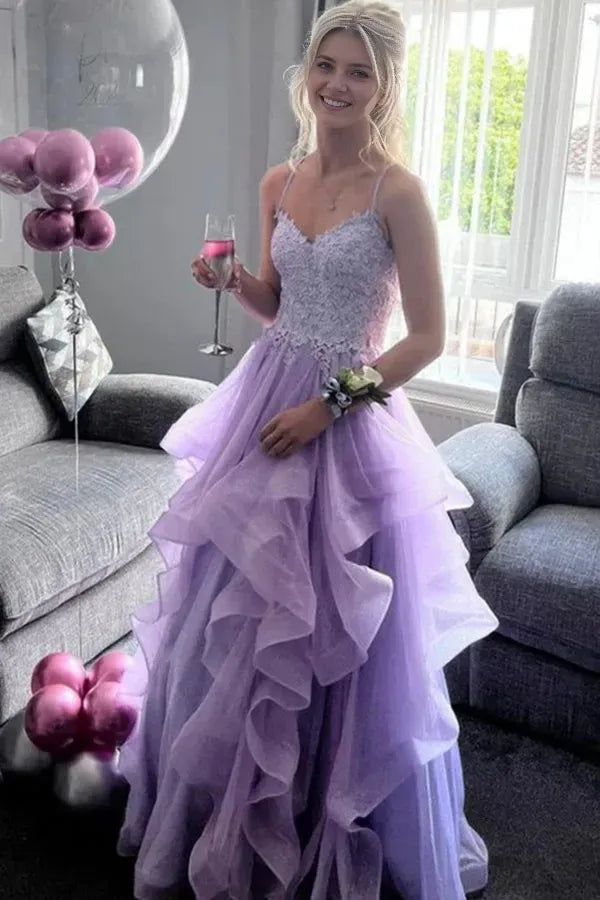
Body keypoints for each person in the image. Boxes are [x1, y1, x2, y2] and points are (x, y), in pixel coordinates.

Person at [117, 1, 499, 897]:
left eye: (359, 71)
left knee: (339, 633)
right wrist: (232, 281)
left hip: (348, 418)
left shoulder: (398, 192)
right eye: (327, 64)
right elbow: (277, 306)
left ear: (385, 87)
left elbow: (427, 338)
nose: (337, 84)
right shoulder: (278, 181)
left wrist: (328, 407)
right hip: (265, 401)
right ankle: (229, 813)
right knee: (234, 614)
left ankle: (323, 819)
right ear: (308, 73)